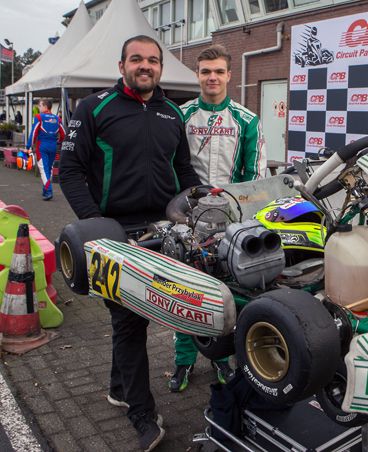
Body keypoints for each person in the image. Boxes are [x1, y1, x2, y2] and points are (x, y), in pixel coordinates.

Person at [60, 35, 201, 452]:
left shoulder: (172, 112)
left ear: (160, 68)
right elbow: (69, 170)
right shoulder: (93, 107)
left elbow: (183, 171)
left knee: (143, 315)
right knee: (129, 321)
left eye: (153, 60)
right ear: (121, 65)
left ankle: (119, 388)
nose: (145, 66)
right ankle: (141, 413)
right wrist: (97, 225)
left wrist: (201, 204)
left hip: (164, 229)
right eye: (136, 59)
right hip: (114, 233)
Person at [169, 45, 266, 393]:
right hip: (187, 218)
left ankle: (221, 357)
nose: (212, 77)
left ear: (229, 75)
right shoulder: (180, 115)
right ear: (197, 75)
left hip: (230, 221)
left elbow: (255, 177)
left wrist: (243, 217)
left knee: (227, 292)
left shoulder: (247, 120)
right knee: (184, 288)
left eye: (218, 71)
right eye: (206, 71)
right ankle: (183, 360)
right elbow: (169, 166)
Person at [27, 99, 65, 200]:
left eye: (40, 106)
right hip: (53, 146)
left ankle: (48, 191)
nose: (39, 108)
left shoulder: (39, 117)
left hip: (42, 146)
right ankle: (45, 190)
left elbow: (34, 133)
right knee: (49, 168)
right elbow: (63, 134)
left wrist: (28, 146)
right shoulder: (57, 118)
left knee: (44, 170)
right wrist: (59, 141)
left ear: (45, 106)